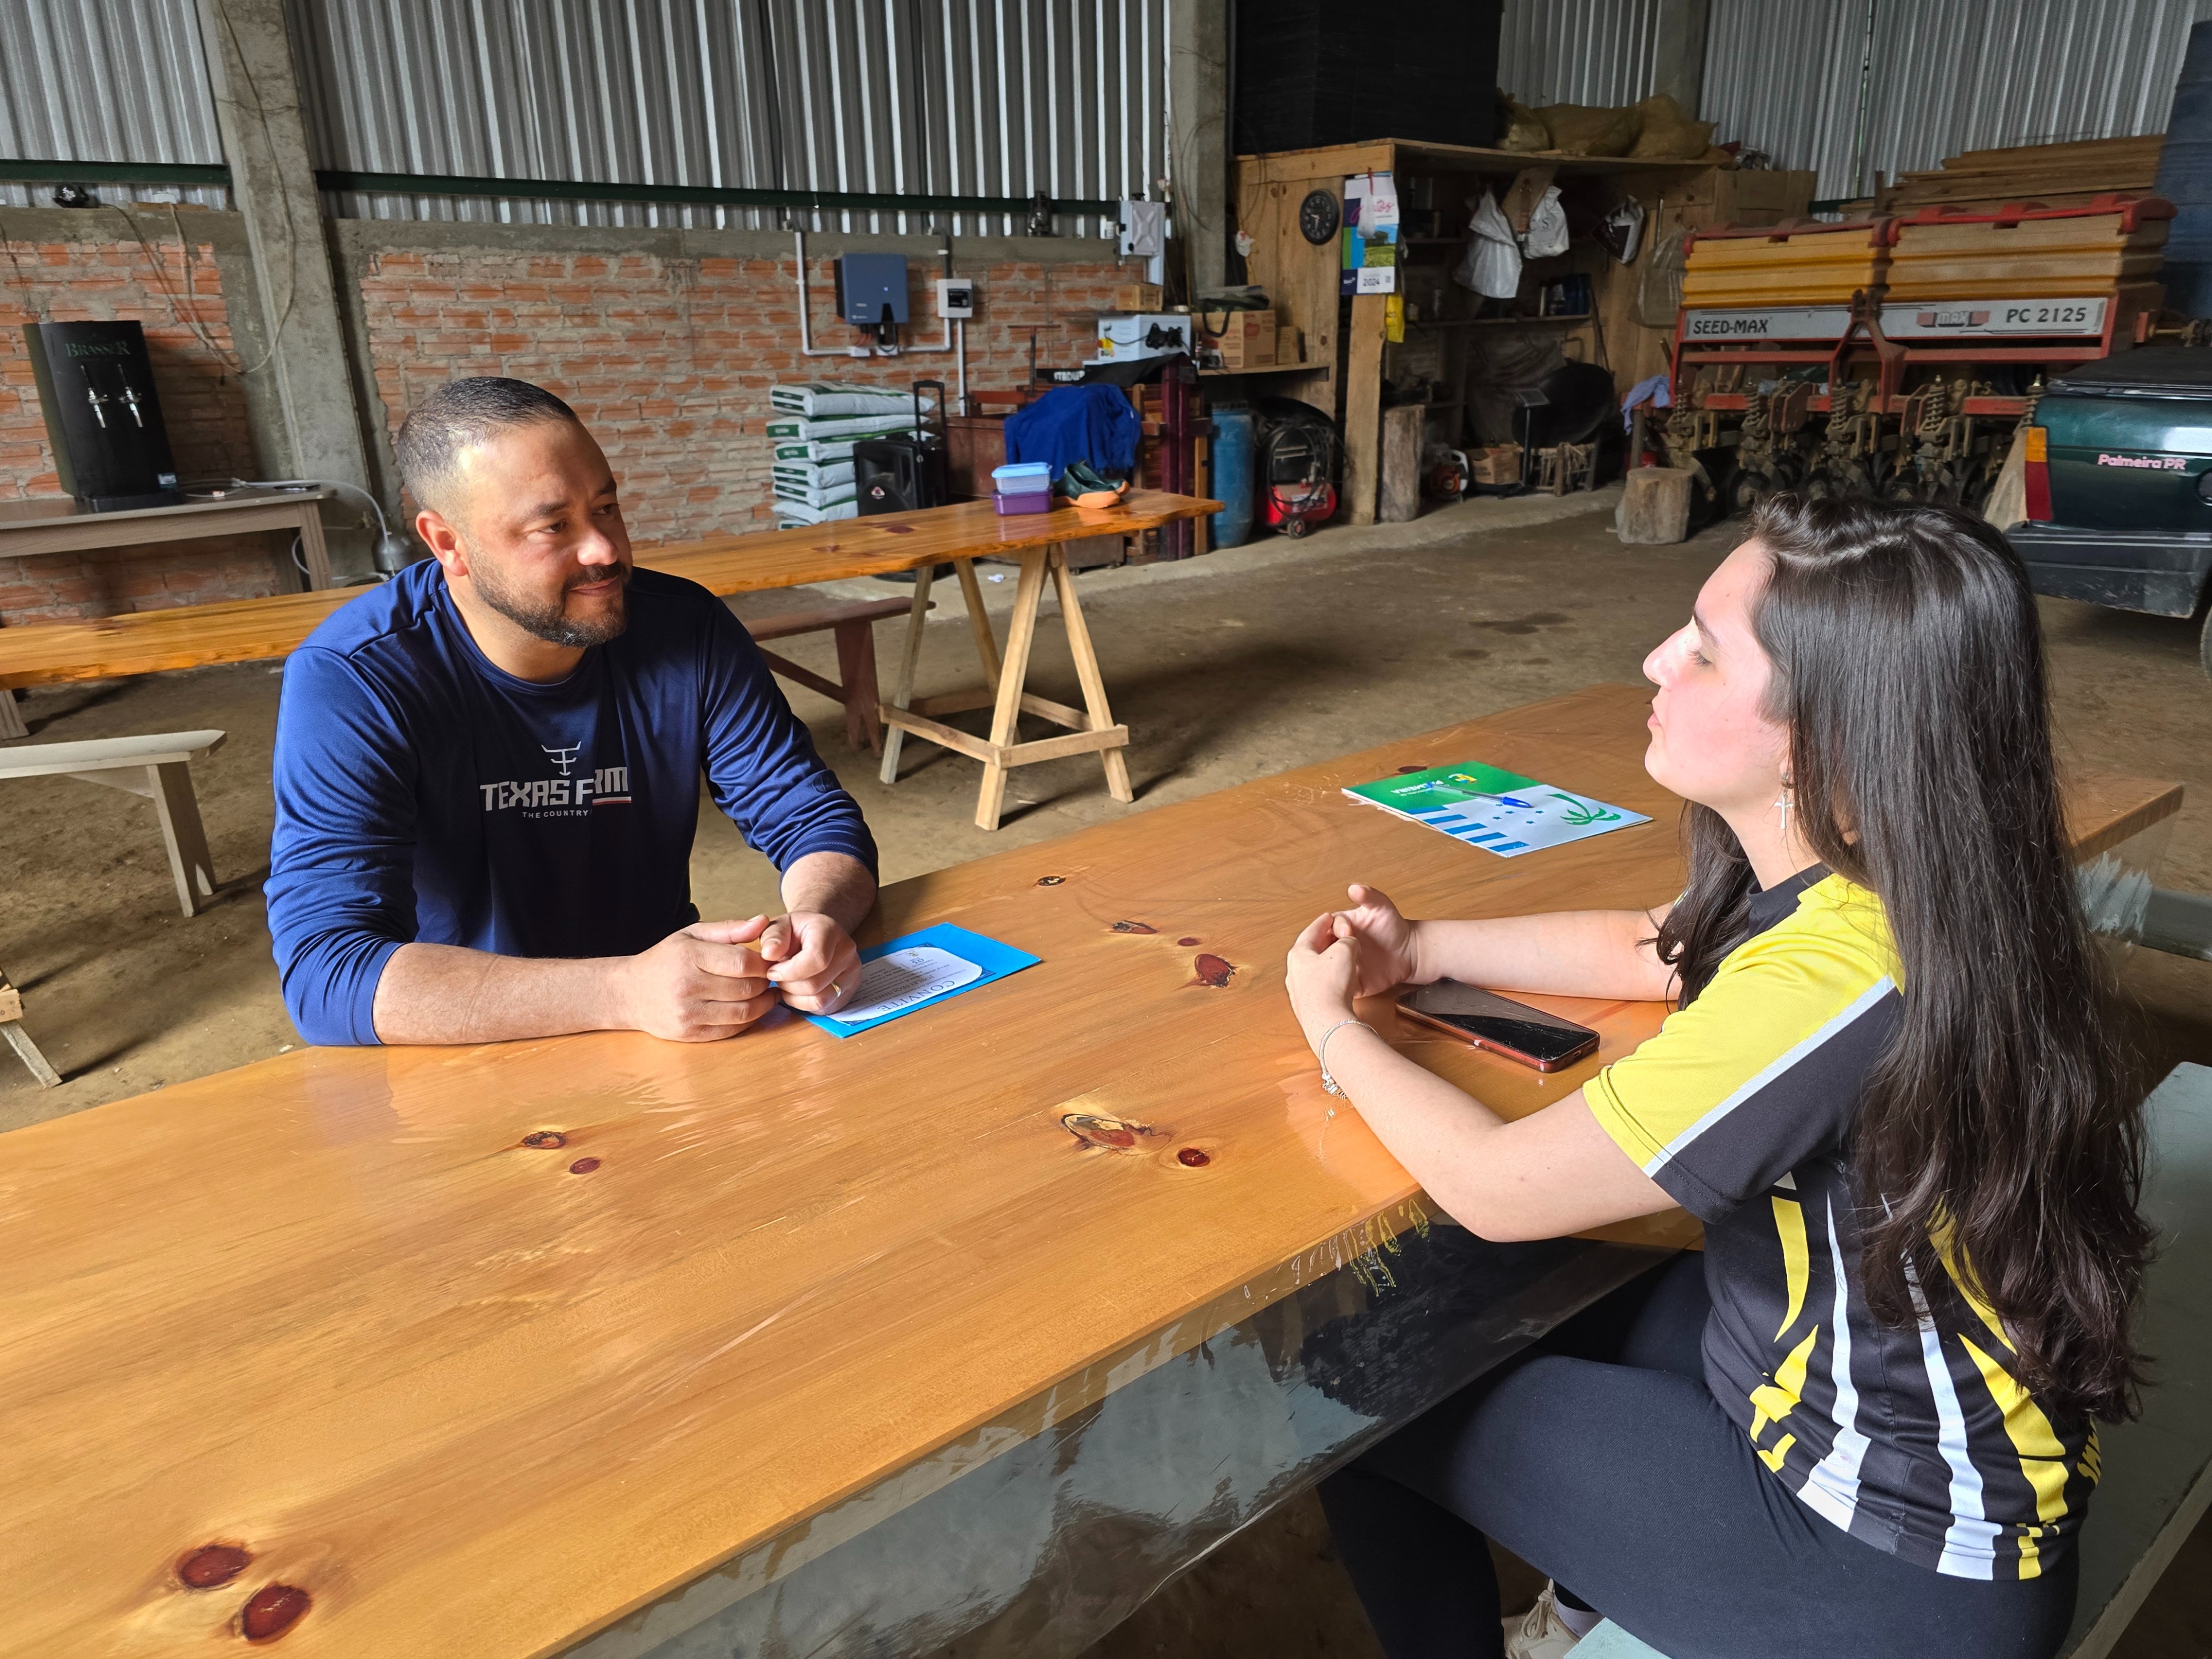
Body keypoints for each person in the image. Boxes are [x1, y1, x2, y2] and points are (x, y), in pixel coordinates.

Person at [1283, 495, 2150, 1659]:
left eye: (1701, 649)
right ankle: (1586, 1601)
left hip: (1897, 1566)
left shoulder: (1840, 984)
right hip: (1867, 1404)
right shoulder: (1908, 878)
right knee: (1485, 1298)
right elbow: (1653, 946)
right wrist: (1424, 947)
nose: (1655, 659)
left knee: (1349, 1386)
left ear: (1821, 733)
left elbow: (1495, 1184)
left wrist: (1330, 1026)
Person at [267, 377, 877, 1047]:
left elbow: (808, 815)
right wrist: (621, 990)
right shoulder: (355, 677)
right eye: (553, 527)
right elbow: (327, 975)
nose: (604, 550)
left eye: (606, 507)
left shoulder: (686, 627)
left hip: (671, 1027)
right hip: (472, 1035)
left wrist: (819, 920)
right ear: (447, 544)